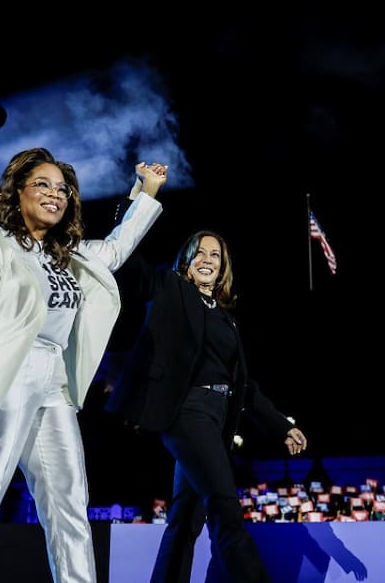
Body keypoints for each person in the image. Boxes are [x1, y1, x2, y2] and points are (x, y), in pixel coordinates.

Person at [0, 147, 167, 583]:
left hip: (54, 380)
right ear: (16, 192)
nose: (55, 194)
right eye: (43, 184)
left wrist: (146, 194)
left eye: (63, 189)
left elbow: (115, 248)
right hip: (5, 378)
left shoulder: (69, 255)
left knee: (69, 502)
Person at [105, 228, 308, 583]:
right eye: (199, 253)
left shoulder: (225, 318)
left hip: (215, 419)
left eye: (215, 255)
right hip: (187, 412)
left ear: (223, 267)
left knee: (185, 520)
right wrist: (137, 204)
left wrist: (281, 425)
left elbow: (243, 386)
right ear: (185, 261)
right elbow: (131, 265)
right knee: (225, 509)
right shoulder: (172, 289)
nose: (207, 260)